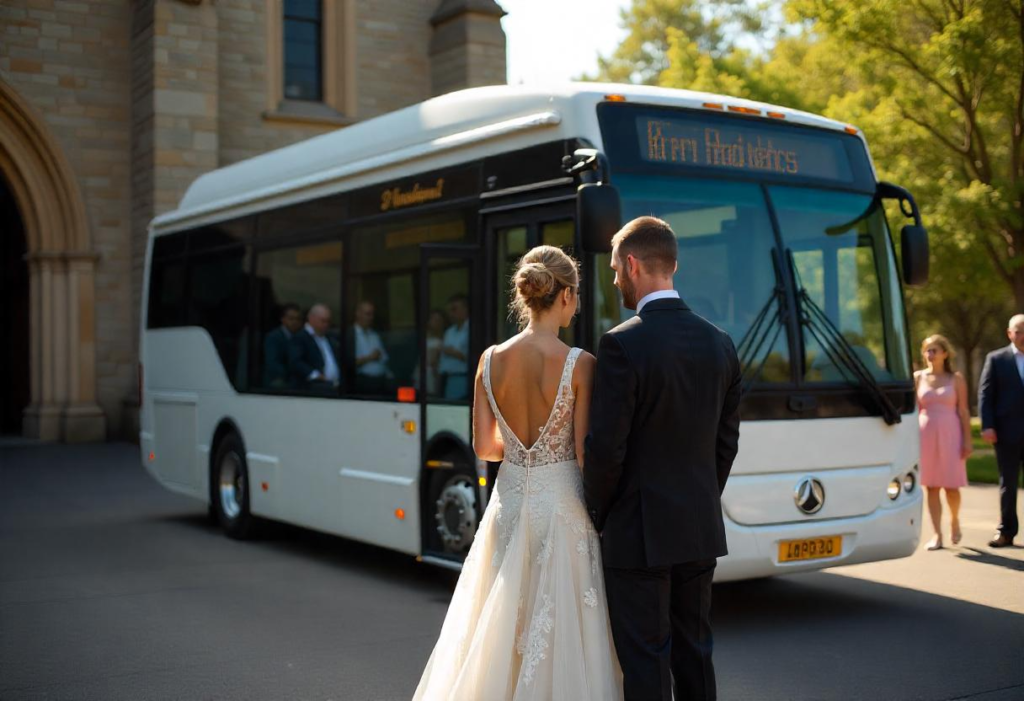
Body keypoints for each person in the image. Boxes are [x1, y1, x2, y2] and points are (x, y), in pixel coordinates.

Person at [413, 246, 623, 700]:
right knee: (562, 628)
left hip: (508, 503)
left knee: (502, 623)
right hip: (562, 505)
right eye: (579, 294)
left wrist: (525, 450)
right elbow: (586, 457)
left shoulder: (490, 360)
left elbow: (486, 447)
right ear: (564, 295)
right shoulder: (580, 363)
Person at [585, 216, 742, 701]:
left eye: (614, 269)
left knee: (645, 662)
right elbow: (726, 442)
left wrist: (599, 515)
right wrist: (697, 498)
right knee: (695, 653)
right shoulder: (721, 343)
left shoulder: (621, 344)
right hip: (698, 526)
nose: (614, 280)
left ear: (632, 264)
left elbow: (606, 449)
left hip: (639, 533)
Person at [915, 335, 971, 550]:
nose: (930, 355)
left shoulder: (956, 379)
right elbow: (914, 410)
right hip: (926, 434)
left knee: (951, 487)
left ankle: (955, 520)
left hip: (951, 433)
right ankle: (937, 534)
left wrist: (967, 440)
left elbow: (964, 411)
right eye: (927, 350)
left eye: (935, 350)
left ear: (945, 354)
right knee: (931, 486)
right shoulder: (918, 377)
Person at [979, 313, 1024, 548]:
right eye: (1018, 331)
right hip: (1007, 433)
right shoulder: (997, 359)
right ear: (1009, 333)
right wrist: (987, 425)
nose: (1023, 336)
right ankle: (1006, 531)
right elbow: (986, 394)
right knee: (1008, 483)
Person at [289, 303, 342, 392]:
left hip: (335, 386)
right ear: (311, 318)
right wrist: (316, 375)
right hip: (313, 388)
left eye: (328, 321)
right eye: (323, 321)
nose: (326, 324)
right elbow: (296, 362)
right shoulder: (300, 337)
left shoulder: (329, 337)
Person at [352, 300, 393, 394]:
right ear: (358, 314)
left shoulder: (374, 335)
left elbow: (383, 357)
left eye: (372, 314)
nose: (370, 318)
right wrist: (370, 358)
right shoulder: (351, 335)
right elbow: (349, 362)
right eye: (367, 314)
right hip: (363, 383)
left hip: (381, 381)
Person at [262, 302, 302, 388]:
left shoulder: (300, 336)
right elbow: (272, 364)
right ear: (283, 319)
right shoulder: (274, 337)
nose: (295, 322)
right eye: (291, 319)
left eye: (297, 319)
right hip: (277, 380)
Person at [438, 294, 470, 400]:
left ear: (465, 309)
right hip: (446, 378)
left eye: (454, 309)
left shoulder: (473, 329)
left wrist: (453, 353)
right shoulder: (449, 332)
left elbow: (476, 358)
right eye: (450, 310)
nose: (451, 313)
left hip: (463, 378)